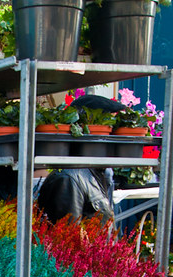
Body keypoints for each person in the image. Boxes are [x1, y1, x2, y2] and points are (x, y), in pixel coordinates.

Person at [36, 94, 124, 224]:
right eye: (109, 125)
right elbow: (67, 233)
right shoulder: (68, 179)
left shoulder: (99, 172)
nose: (116, 133)